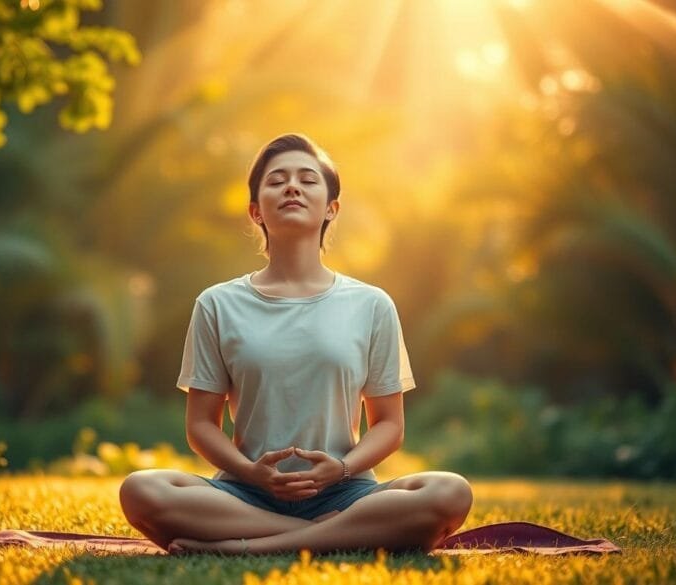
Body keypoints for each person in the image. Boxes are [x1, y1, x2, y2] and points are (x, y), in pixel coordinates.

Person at [118, 133, 472, 555]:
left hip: (347, 493)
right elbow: (200, 426)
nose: (292, 187)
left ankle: (250, 548)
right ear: (255, 211)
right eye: (277, 180)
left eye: (307, 179)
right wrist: (253, 474)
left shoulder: (371, 304)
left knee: (450, 492)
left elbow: (390, 425)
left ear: (331, 208)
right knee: (141, 489)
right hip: (245, 493)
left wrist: (339, 470)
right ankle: (331, 536)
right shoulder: (218, 303)